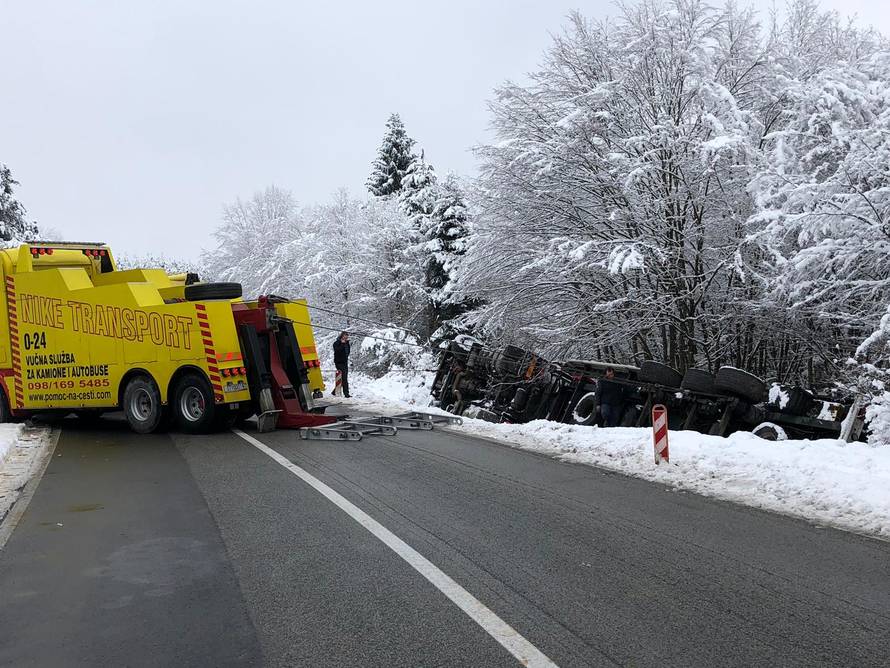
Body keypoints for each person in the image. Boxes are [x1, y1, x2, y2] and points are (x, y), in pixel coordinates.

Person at [333, 331, 351, 398]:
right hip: (339, 362)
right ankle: (346, 394)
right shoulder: (336, 343)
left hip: (345, 362)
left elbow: (348, 352)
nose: (346, 337)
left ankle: (334, 391)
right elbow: (337, 351)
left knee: (343, 377)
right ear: (341, 336)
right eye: (345, 335)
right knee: (344, 378)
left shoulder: (347, 343)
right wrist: (342, 344)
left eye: (347, 335)